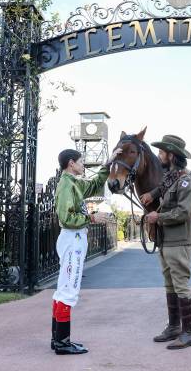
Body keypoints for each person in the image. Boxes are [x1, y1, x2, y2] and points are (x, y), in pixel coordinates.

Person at [51, 147, 121, 355]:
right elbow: (66, 218)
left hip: (74, 239)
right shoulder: (66, 185)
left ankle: (58, 340)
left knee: (63, 287)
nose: (83, 165)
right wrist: (92, 218)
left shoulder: (73, 182)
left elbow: (94, 185)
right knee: (68, 289)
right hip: (72, 238)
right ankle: (63, 343)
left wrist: (108, 163)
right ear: (71, 163)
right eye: (81, 161)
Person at [141, 135, 191, 350]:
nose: (158, 156)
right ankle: (174, 327)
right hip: (166, 242)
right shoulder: (170, 179)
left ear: (171, 155)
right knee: (169, 285)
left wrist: (159, 217)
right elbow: (162, 190)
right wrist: (151, 195)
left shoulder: (185, 181)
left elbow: (185, 211)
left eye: (161, 152)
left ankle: (189, 333)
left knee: (181, 286)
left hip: (179, 240)